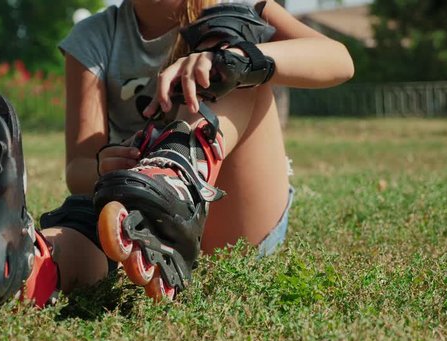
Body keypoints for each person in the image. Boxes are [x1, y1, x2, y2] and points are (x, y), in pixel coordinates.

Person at [38, 0, 354, 298]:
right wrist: (101, 166)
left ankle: (180, 170)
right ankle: (19, 266)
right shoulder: (94, 36)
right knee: (76, 227)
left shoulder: (239, 3)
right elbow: (78, 168)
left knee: (228, 51)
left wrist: (236, 60)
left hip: (235, 214)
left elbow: (339, 59)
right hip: (140, 216)